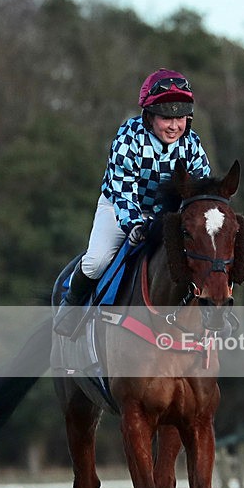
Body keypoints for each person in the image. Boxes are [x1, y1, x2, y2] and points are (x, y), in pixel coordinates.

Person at [54, 67, 211, 336]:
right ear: (149, 116)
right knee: (97, 260)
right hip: (120, 208)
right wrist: (135, 225)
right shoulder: (130, 136)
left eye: (180, 118)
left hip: (167, 217)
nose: (174, 126)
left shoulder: (192, 145)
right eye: (166, 118)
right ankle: (69, 308)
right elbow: (122, 188)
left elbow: (201, 189)